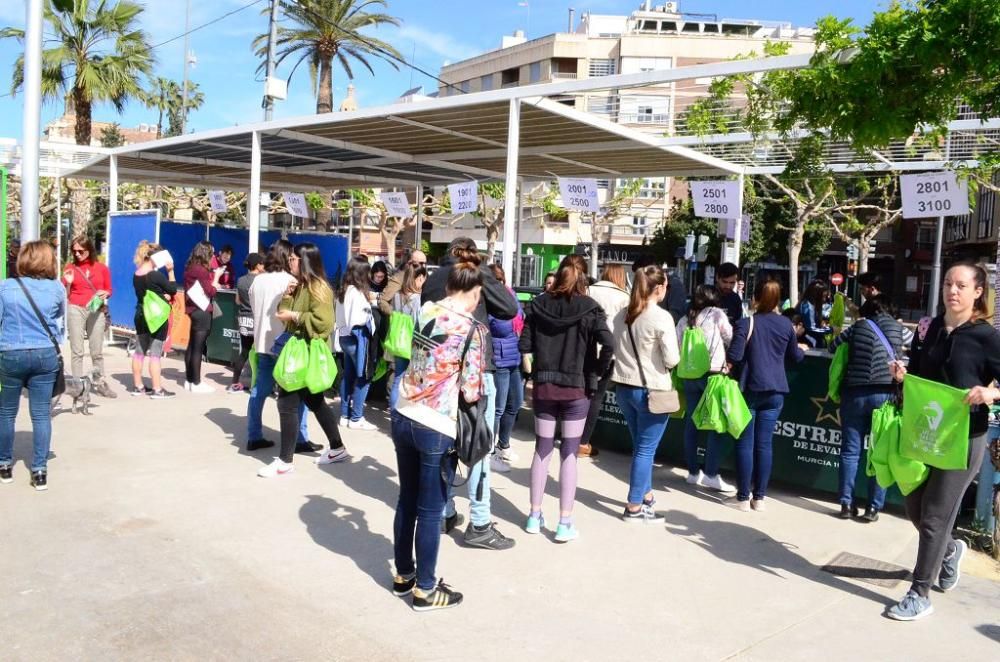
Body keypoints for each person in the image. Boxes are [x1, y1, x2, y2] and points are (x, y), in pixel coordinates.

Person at [885, 262, 1000, 621]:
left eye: (961, 285)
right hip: (927, 434)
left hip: (966, 439)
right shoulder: (930, 327)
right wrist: (903, 375)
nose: (952, 291)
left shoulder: (987, 336)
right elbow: (919, 372)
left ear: (978, 292)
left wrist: (990, 392)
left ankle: (920, 593)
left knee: (934, 516)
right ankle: (949, 551)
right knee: (915, 509)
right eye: (949, 283)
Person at [391, 248, 486, 611]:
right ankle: (426, 590)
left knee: (406, 500)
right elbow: (472, 389)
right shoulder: (471, 329)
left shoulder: (426, 309)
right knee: (431, 510)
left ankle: (404, 576)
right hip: (435, 423)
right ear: (475, 293)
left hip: (403, 412)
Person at [422, 237, 519, 550]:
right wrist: (485, 273)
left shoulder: (435, 277)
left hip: (439, 376)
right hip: (476, 373)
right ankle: (479, 523)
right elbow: (509, 308)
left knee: (446, 447)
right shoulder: (477, 275)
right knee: (477, 447)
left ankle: (444, 512)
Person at [519, 255, 613, 541]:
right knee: (570, 452)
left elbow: (524, 344)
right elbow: (609, 344)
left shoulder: (538, 304)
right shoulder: (590, 309)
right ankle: (564, 522)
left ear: (559, 275)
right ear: (584, 278)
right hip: (576, 389)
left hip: (545, 387)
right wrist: (595, 369)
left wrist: (534, 370)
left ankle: (534, 516)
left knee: (542, 449)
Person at [258, 243, 349, 477]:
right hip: (298, 349)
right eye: (290, 259)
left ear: (305, 261)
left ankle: (285, 461)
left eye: (294, 259)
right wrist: (288, 297)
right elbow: (282, 314)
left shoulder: (319, 288)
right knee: (315, 401)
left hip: (307, 352)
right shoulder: (299, 286)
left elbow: (324, 323)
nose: (290, 262)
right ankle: (337, 447)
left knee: (286, 403)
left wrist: (296, 315)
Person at [726, 279, 806, 512]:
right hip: (776, 390)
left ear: (756, 298)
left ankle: (742, 497)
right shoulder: (785, 325)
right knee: (764, 444)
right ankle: (759, 498)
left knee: (744, 443)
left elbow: (736, 355)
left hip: (750, 388)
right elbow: (795, 357)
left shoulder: (745, 323)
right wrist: (802, 349)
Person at [612, 264, 680, 523]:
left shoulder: (623, 314)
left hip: (624, 387)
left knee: (641, 447)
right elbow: (672, 359)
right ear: (660, 288)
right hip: (652, 389)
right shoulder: (661, 317)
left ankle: (646, 495)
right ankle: (634, 505)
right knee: (645, 451)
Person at [830, 294, 904, 522]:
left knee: (850, 451)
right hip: (885, 394)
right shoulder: (899, 329)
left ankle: (845, 503)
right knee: (879, 452)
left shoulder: (858, 327)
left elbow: (833, 346)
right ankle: (873, 508)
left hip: (854, 393)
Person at [0, 241, 64, 491]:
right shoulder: (56, 289)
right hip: (44, 354)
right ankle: (39, 471)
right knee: (40, 414)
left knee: (6, 412)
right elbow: (57, 317)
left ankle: (4, 465)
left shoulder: (6, 287)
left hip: (11, 352)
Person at [246, 240, 314, 453]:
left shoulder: (257, 281)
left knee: (259, 391)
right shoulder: (290, 281)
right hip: (286, 346)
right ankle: (300, 438)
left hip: (262, 344)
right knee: (296, 394)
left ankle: (253, 435)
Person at [676, 285, 736, 493]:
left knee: (692, 422)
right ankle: (711, 473)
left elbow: (677, 346)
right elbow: (729, 337)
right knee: (715, 423)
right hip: (713, 375)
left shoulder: (685, 319)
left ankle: (693, 472)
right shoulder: (717, 315)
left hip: (690, 375)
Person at [579, 264, 631, 458]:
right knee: (596, 397)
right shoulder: (625, 297)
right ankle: (583, 442)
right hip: (610, 351)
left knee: (581, 394)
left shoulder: (590, 290)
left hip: (586, 348)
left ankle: (570, 436)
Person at [62, 235, 115, 398]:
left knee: (96, 350)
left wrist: (105, 293)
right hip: (76, 308)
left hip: (96, 309)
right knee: (77, 350)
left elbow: (109, 289)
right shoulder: (69, 267)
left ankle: (99, 383)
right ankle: (78, 386)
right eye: (74, 251)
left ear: (89, 250)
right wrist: (69, 282)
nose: (77, 254)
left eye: (80, 251)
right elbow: (64, 293)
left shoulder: (101, 268)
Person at [487, 264, 524, 474]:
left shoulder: (512, 295)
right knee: (498, 408)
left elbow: (520, 319)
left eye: (502, 280)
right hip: (499, 358)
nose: (501, 285)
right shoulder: (489, 302)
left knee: (515, 403)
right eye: (497, 281)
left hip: (514, 356)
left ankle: (504, 444)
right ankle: (490, 451)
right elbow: (500, 327)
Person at [129, 241, 177, 399]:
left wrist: (162, 295)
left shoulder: (137, 274)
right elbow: (172, 289)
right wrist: (170, 272)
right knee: (155, 353)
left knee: (139, 351)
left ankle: (138, 386)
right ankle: (157, 389)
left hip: (140, 314)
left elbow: (149, 293)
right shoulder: (155, 275)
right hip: (155, 316)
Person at [337, 257, 377, 430]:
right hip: (358, 336)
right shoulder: (357, 292)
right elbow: (360, 318)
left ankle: (345, 415)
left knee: (349, 375)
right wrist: (372, 306)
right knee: (364, 377)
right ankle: (356, 417)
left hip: (344, 337)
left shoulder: (343, 290)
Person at [182, 241, 222, 393]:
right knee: (198, 347)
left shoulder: (190, 267)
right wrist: (216, 278)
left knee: (192, 346)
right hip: (202, 310)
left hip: (193, 310)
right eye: (211, 252)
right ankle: (197, 382)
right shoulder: (201, 271)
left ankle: (189, 380)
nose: (213, 255)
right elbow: (211, 291)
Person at [388, 263, 428, 408]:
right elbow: (418, 322)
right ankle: (403, 413)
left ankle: (393, 413)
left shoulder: (398, 295)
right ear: (419, 278)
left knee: (397, 378)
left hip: (398, 341)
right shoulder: (418, 299)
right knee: (412, 380)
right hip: (411, 342)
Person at [229, 253, 265, 393]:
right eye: (262, 263)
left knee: (244, 352)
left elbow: (237, 300)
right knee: (260, 353)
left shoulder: (241, 280)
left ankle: (234, 383)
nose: (264, 266)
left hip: (243, 319)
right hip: (256, 319)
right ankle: (257, 385)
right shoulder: (260, 280)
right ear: (257, 265)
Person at [377, 249, 427, 318]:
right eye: (420, 263)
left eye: (425, 263)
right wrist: (397, 316)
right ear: (409, 263)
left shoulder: (426, 276)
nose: (423, 266)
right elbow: (382, 300)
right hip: (403, 324)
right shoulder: (399, 278)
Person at [798, 279, 832, 347]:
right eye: (823, 296)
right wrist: (831, 329)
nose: (824, 299)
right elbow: (811, 329)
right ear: (816, 295)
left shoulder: (812, 305)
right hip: (808, 343)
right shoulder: (807, 306)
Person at [716, 262, 743, 326]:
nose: (728, 286)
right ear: (717, 278)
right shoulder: (706, 295)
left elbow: (738, 323)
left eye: (732, 283)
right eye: (725, 282)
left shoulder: (736, 299)